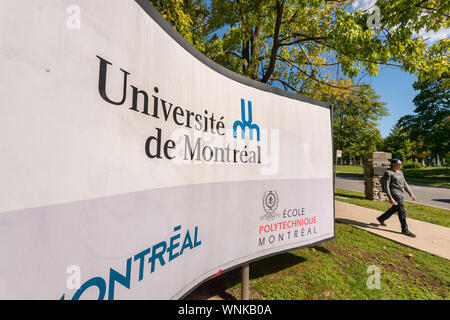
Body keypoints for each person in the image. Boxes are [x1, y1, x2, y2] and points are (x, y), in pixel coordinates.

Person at [377, 158, 417, 237]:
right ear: (393, 164)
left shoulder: (400, 172)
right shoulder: (388, 173)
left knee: (394, 209)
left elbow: (405, 184)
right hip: (394, 194)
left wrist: (411, 194)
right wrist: (390, 197)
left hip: (400, 194)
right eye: (398, 164)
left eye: (400, 164)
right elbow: (386, 186)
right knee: (402, 210)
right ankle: (404, 230)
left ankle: (381, 218)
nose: (400, 165)